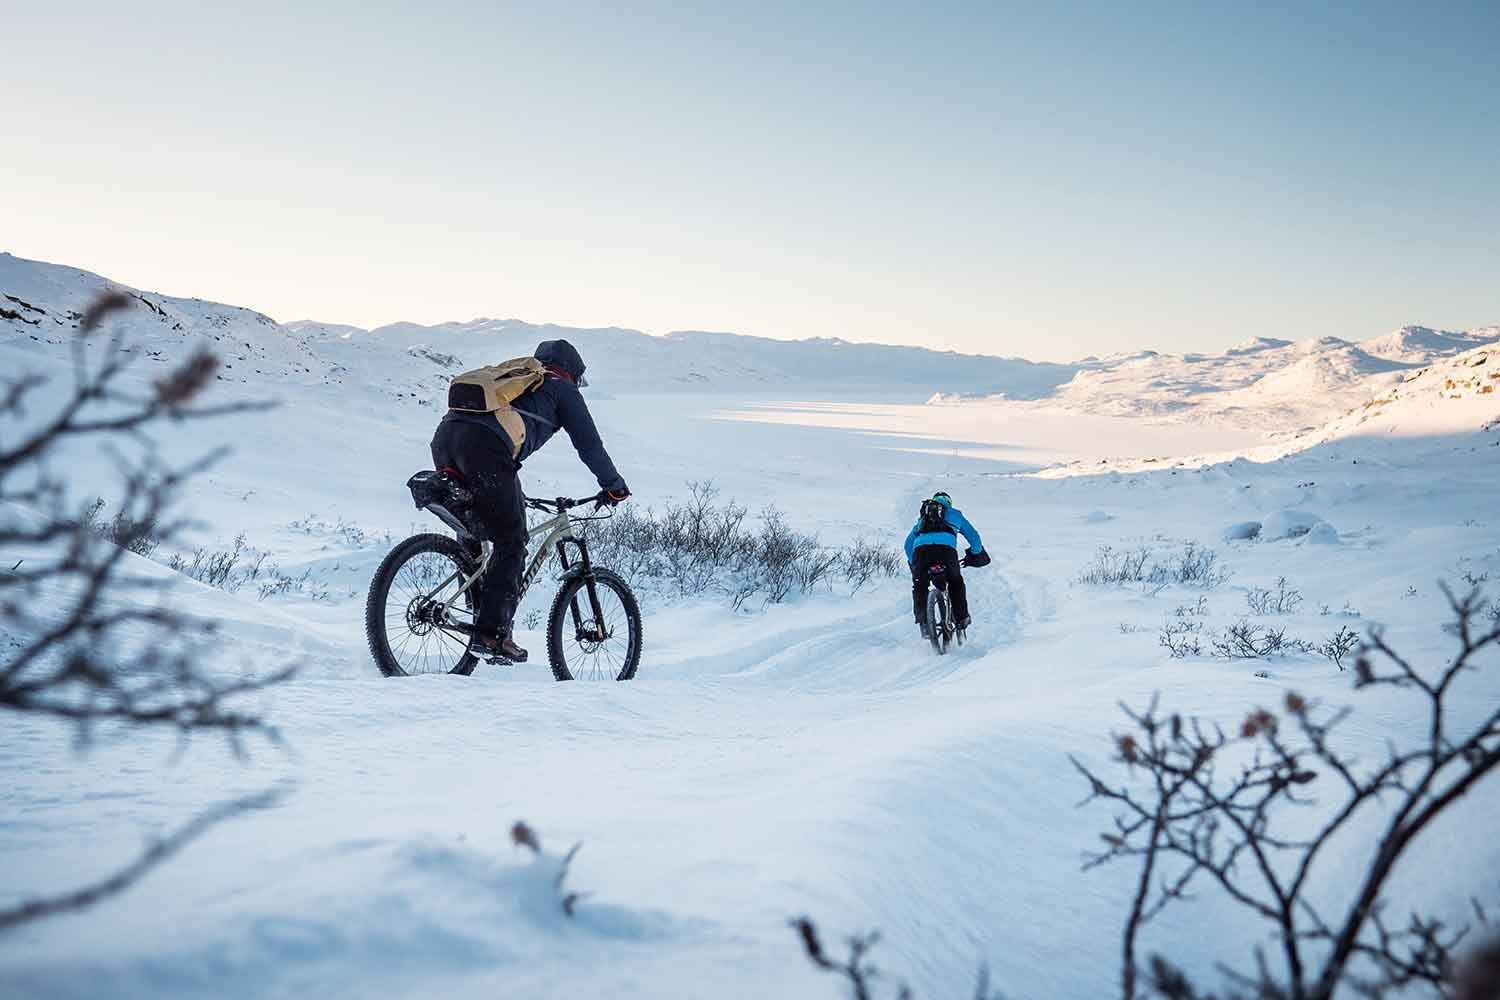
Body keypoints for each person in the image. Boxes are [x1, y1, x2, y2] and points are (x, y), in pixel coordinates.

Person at [430, 339, 629, 661]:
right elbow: (589, 445)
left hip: (445, 440)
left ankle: (477, 610)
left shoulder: (515, 380)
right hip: (487, 450)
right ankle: (492, 636)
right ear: (573, 372)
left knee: (475, 526)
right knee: (511, 542)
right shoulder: (563, 390)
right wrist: (613, 486)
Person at [904, 490, 988, 637]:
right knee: (955, 582)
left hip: (921, 553)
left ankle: (924, 623)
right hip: (946, 553)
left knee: (920, 585)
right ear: (948, 504)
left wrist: (914, 565)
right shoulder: (955, 514)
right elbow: (974, 537)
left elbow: (907, 544)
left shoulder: (922, 519)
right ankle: (962, 618)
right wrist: (976, 553)